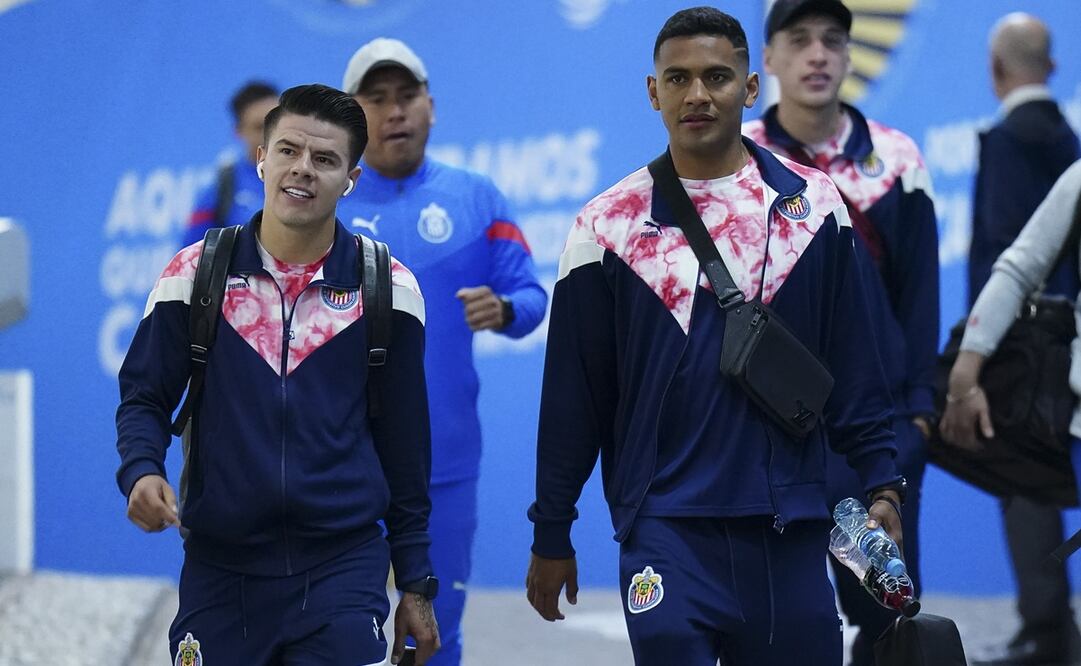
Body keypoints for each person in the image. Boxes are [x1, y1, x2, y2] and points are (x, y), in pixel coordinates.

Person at [525, 8, 904, 665]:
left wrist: (882, 483)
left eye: (716, 77)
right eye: (677, 78)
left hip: (788, 527)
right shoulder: (604, 226)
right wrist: (551, 531)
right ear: (653, 92)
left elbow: (855, 360)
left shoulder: (813, 208)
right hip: (665, 526)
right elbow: (574, 394)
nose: (696, 94)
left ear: (750, 89)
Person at [116, 84, 440, 666]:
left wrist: (415, 581)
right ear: (260, 158)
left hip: (343, 569)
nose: (302, 170)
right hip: (221, 570)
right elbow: (143, 395)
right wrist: (140, 469)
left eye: (325, 159)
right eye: (288, 150)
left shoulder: (389, 288)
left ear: (352, 179)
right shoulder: (194, 275)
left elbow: (406, 445)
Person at [338, 37, 548, 666]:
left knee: (429, 640)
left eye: (407, 97)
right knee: (336, 638)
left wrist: (505, 309)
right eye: (377, 100)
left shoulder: (476, 198)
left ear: (432, 106)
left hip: (443, 468)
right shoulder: (324, 204)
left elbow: (531, 295)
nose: (395, 112)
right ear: (351, 115)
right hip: (339, 467)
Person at [741, 1, 938, 662]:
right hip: (764, 443)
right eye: (798, 40)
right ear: (767, 58)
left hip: (865, 445)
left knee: (884, 611)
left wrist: (913, 420)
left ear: (850, 56)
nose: (817, 54)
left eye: (832, 40)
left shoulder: (895, 159)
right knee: (773, 623)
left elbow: (918, 302)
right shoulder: (736, 157)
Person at [943, 13, 1081, 666]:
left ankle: (1045, 628)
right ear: (1049, 69)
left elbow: (1006, 255)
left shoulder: (1004, 141)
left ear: (995, 70)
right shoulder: (1067, 139)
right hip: (1067, 344)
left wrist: (974, 361)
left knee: (1023, 479)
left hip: (1025, 354)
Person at [181, 81, 279, 247]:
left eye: (276, 123)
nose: (272, 134)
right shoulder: (222, 189)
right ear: (239, 132)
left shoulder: (312, 177)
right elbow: (189, 262)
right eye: (259, 127)